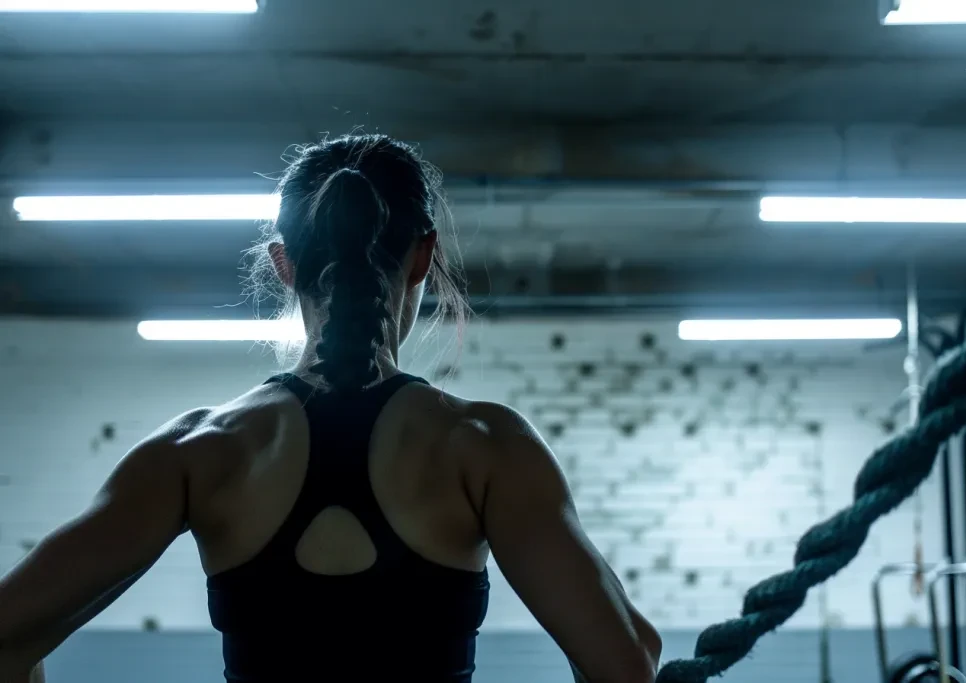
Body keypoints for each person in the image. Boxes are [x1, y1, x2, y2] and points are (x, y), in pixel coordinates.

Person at [0, 134, 662, 683]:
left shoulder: (200, 452)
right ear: (423, 256)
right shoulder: (484, 446)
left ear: (284, 265)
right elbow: (626, 664)